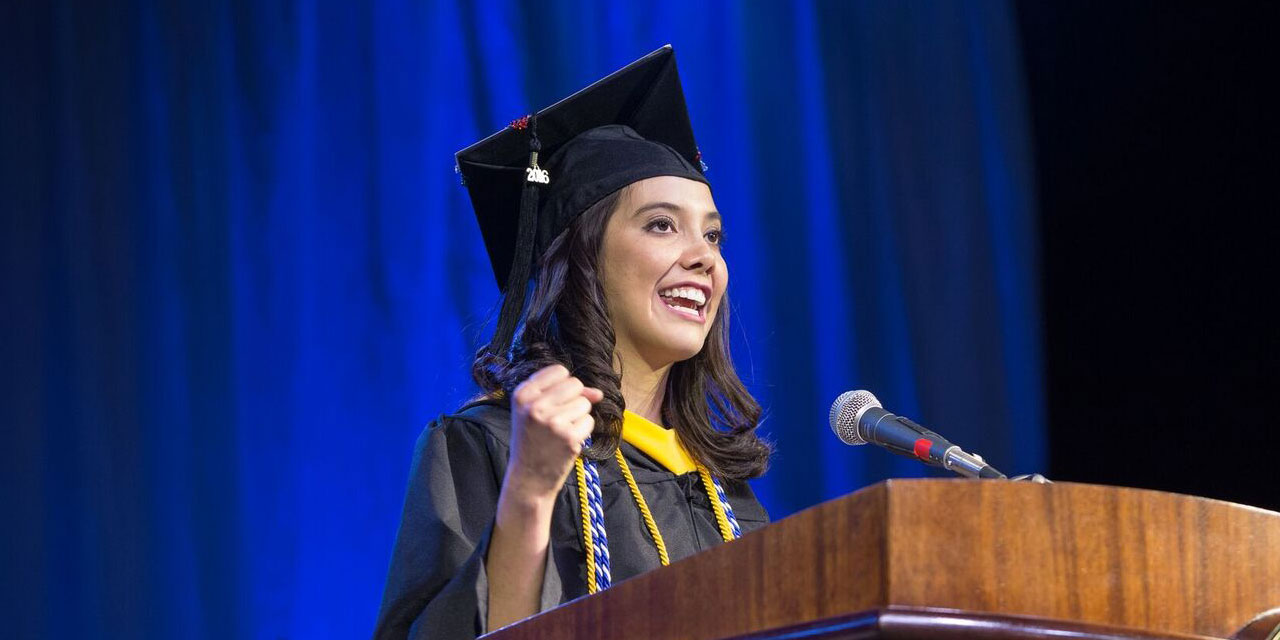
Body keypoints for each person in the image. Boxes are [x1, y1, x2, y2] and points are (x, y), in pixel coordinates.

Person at [373, 46, 773, 640]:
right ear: (582, 257)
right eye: (662, 225)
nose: (703, 258)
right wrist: (531, 492)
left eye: (713, 236)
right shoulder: (489, 448)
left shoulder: (725, 494)